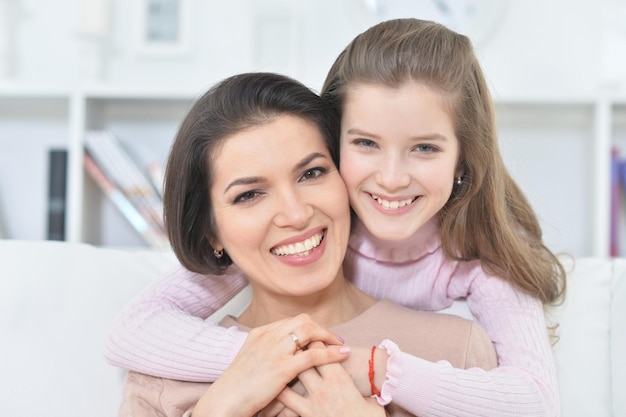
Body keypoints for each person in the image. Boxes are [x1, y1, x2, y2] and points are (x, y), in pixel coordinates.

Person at [105, 19, 566, 417]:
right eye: (249, 195)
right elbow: (133, 326)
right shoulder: (166, 370)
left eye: (311, 173)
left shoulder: (460, 343)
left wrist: (369, 371)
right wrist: (223, 401)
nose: (295, 213)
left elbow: (535, 399)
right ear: (211, 232)